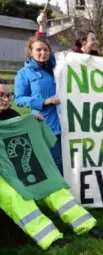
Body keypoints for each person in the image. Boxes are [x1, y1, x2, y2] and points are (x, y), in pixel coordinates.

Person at [0, 81, 103, 249]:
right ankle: (50, 239)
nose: (6, 99)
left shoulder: (15, 116)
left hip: (19, 167)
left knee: (52, 185)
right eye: (1, 95)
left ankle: (87, 225)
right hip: (3, 175)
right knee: (15, 197)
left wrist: (33, 120)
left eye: (8, 95)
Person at [14, 36, 63, 173]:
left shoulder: (57, 68)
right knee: (55, 162)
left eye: (46, 49)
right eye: (38, 50)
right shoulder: (24, 73)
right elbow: (18, 99)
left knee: (68, 162)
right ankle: (59, 193)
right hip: (45, 124)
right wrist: (43, 102)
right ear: (30, 52)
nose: (43, 53)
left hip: (66, 124)